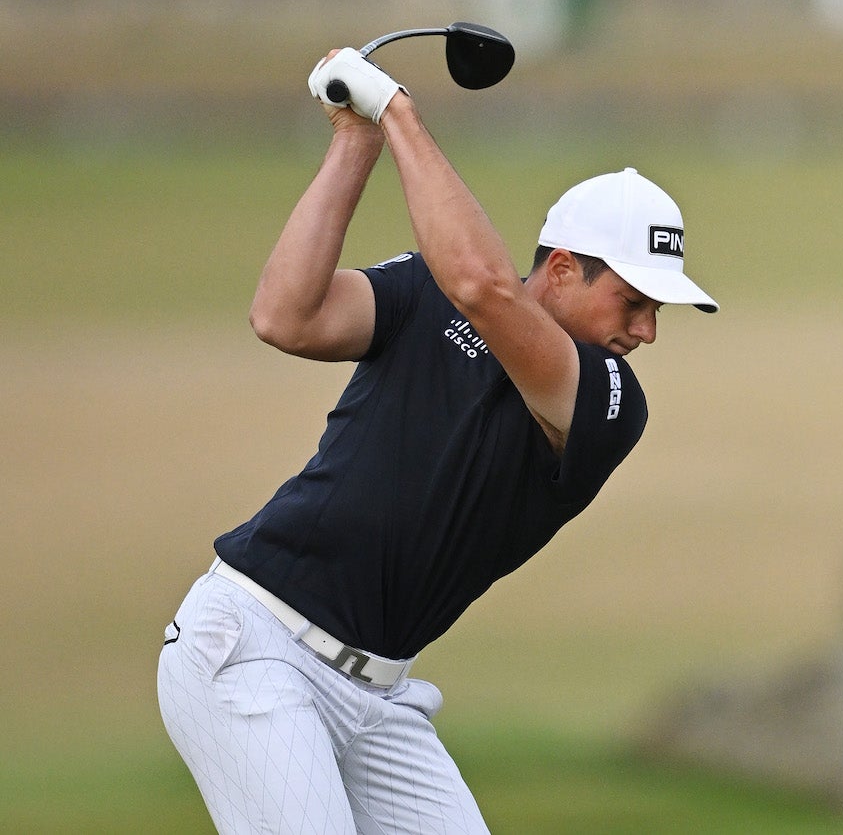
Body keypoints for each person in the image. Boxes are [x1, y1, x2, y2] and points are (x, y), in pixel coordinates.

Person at [156, 47, 717, 833]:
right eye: (633, 302)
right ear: (560, 270)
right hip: (256, 645)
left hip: (378, 697)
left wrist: (396, 111)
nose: (648, 331)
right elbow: (286, 314)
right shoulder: (426, 291)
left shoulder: (609, 403)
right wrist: (361, 136)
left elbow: (484, 288)